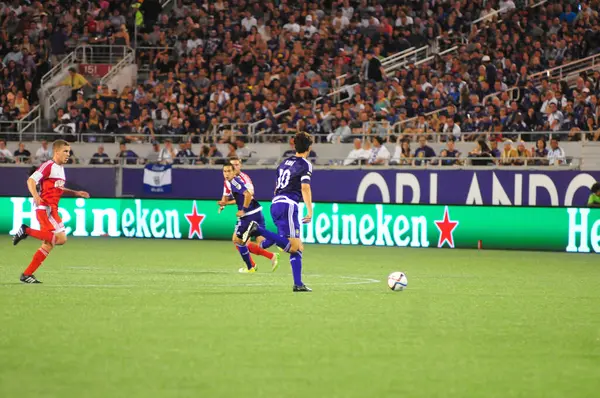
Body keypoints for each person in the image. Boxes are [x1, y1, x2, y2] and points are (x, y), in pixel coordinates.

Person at [242, 132, 314, 292]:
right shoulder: (305, 164)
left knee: (295, 246)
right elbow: (305, 187)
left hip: (276, 203)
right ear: (309, 147)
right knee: (295, 247)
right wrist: (310, 210)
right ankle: (258, 230)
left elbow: (276, 187)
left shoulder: (283, 163)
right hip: (288, 205)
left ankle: (298, 283)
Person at [12, 140, 90, 284]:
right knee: (59, 239)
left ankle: (27, 274)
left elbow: (58, 188)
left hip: (53, 209)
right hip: (45, 208)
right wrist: (36, 196)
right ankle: (26, 230)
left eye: (69, 151)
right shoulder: (48, 165)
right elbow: (31, 180)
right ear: (57, 152)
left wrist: (75, 192)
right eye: (65, 151)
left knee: (50, 243)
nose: (68, 154)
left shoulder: (60, 168)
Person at [218, 157, 278, 269]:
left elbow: (249, 195)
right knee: (259, 242)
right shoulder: (229, 180)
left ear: (239, 166)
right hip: (253, 211)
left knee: (239, 240)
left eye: (236, 165)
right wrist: (223, 204)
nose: (233, 168)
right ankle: (278, 243)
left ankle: (251, 266)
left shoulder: (241, 179)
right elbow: (226, 195)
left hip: (249, 213)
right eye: (227, 169)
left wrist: (243, 210)